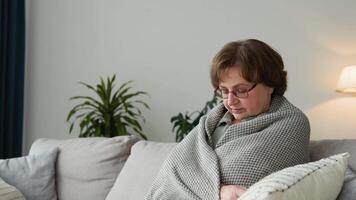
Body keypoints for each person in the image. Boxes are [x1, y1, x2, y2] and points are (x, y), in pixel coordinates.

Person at [145, 39, 310, 200]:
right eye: (224, 91)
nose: (230, 101)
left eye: (241, 90)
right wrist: (218, 192)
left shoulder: (291, 124)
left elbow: (242, 181)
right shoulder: (212, 121)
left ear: (270, 84)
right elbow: (171, 169)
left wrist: (199, 184)